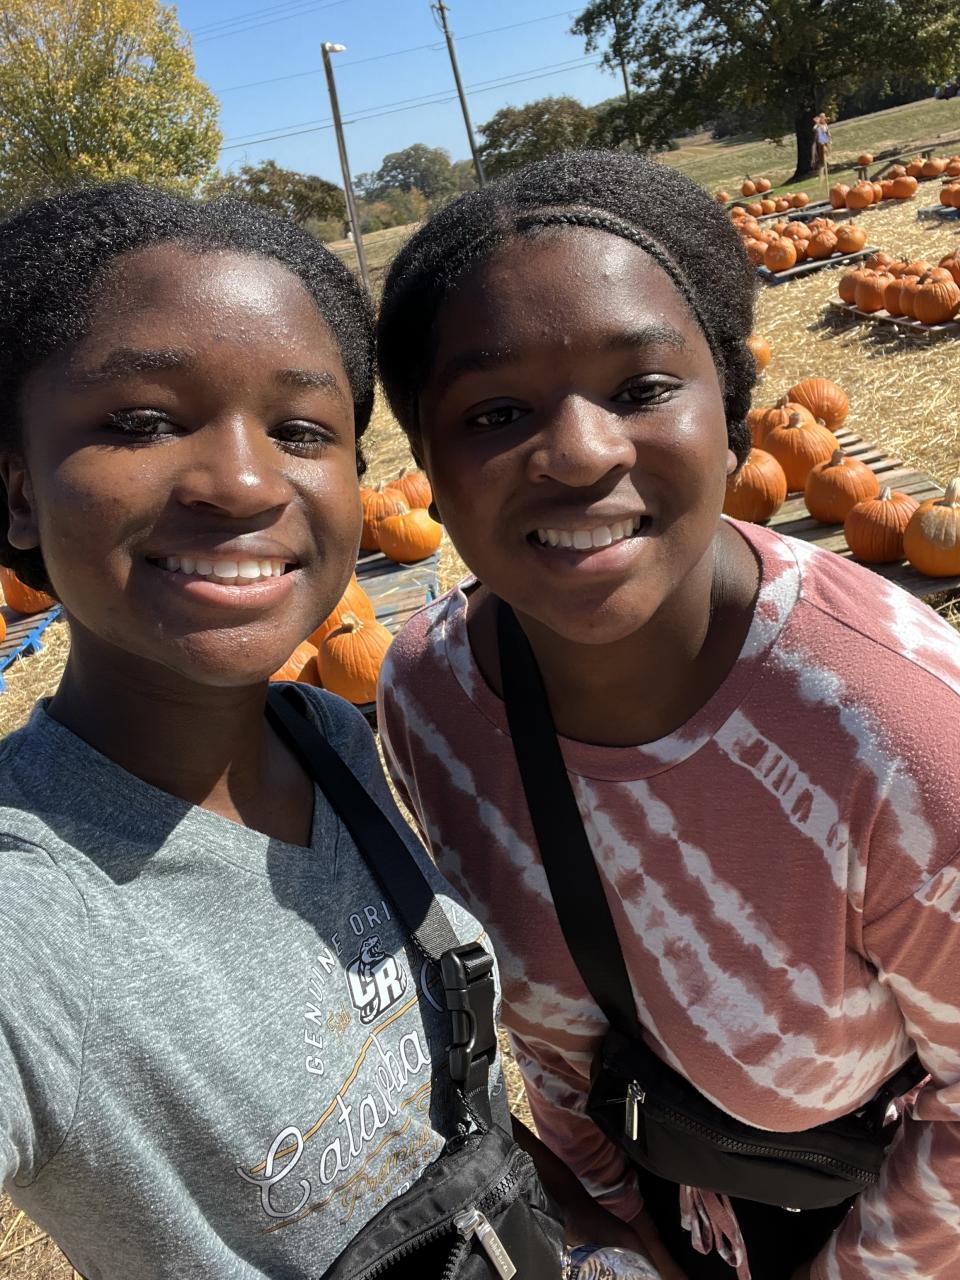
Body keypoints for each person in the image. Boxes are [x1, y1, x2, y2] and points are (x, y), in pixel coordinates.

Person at [374, 149, 960, 1280]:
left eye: (641, 388)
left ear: (733, 417)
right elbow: (548, 1042)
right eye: (496, 410)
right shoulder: (429, 697)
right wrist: (620, 1227)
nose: (579, 452)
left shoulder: (901, 730)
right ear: (430, 470)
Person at [0, 182, 519, 1279]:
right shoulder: (31, 913)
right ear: (18, 491)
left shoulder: (326, 733)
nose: (243, 482)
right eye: (142, 421)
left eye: (300, 430)